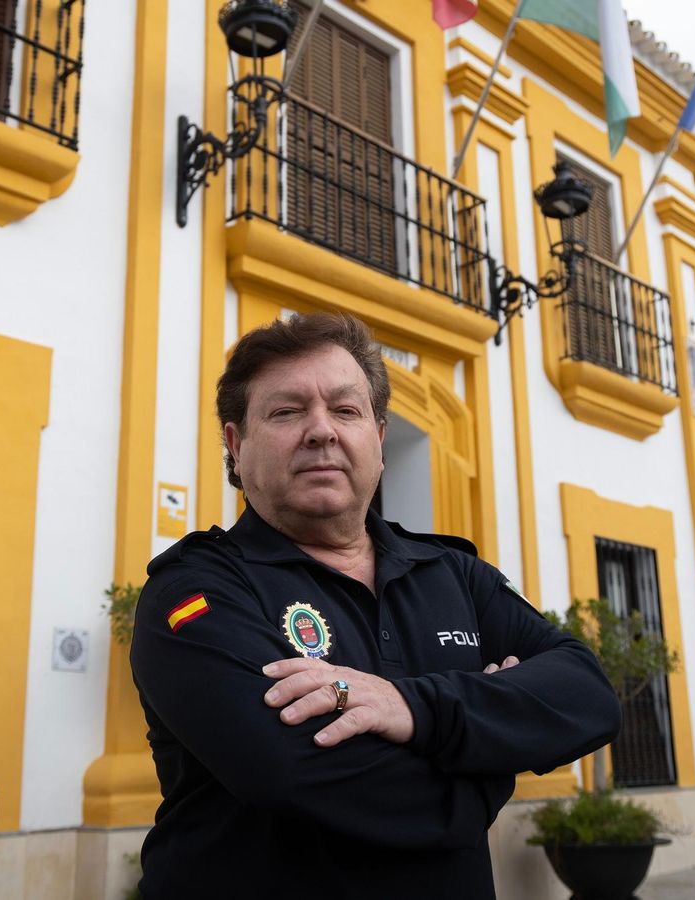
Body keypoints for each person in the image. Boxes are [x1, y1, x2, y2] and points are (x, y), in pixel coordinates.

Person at [130, 313, 621, 899]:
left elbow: (587, 695)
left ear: (379, 438)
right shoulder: (195, 590)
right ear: (236, 446)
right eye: (286, 412)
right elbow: (294, 773)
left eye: (345, 410)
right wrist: (490, 763)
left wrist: (410, 705)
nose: (321, 431)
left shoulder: (454, 574)